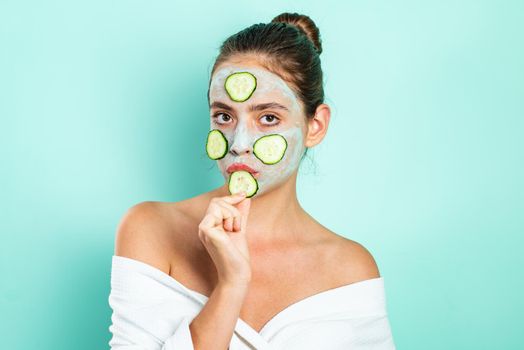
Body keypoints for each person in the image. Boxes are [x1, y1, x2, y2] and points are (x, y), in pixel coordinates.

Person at [108, 12, 396, 350]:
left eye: (268, 117)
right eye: (224, 116)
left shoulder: (350, 269)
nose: (239, 142)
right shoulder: (151, 229)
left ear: (315, 126)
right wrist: (231, 285)